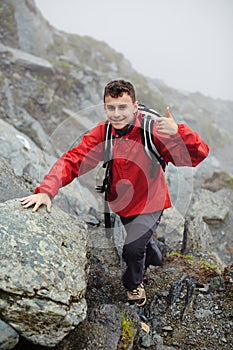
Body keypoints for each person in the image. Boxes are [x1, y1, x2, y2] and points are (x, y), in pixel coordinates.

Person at [20, 79, 209, 307]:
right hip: (122, 203)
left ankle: (133, 284)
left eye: (123, 107)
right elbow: (73, 159)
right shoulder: (103, 133)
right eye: (111, 107)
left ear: (135, 106)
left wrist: (179, 131)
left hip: (152, 202)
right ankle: (156, 258)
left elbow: (197, 156)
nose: (117, 114)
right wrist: (46, 191)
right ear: (105, 108)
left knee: (131, 249)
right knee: (141, 242)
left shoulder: (154, 131)